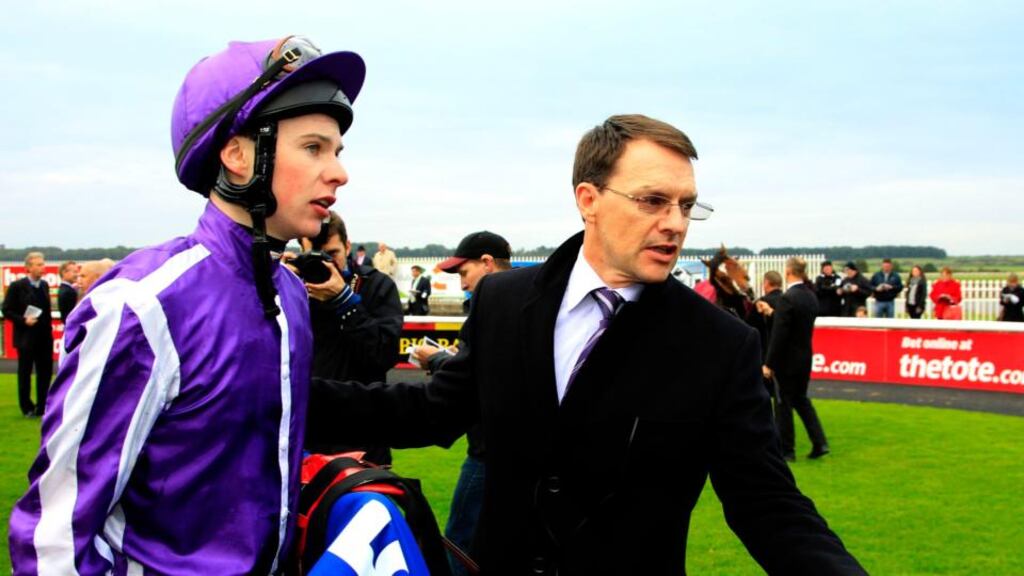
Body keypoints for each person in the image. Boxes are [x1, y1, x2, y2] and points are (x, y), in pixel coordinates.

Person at [308, 114, 864, 574]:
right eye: (653, 201)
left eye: (686, 205)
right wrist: (274, 391)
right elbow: (430, 412)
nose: (676, 223)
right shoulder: (504, 302)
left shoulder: (720, 345)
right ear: (588, 199)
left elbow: (767, 503)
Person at [9, 36, 365, 575]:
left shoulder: (291, 294)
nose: (339, 172)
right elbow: (54, 537)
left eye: (337, 152)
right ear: (238, 155)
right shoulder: (141, 305)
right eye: (314, 147)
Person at [412, 230, 512, 576]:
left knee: (459, 546)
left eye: (464, 273)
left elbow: (486, 376)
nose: (462, 284)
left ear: (486, 263)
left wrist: (439, 361)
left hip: (488, 453)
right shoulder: (533, 304)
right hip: (520, 457)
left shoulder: (500, 310)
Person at [299, 210, 403, 463]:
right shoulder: (292, 285)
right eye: (315, 255)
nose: (326, 264)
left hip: (363, 430)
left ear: (347, 246)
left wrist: (344, 301)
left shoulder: (376, 285)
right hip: (308, 431)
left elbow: (383, 355)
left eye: (332, 254)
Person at [763, 257, 830, 462]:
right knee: (801, 400)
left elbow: (780, 333)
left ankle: (787, 450)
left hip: (786, 361)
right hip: (804, 356)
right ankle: (820, 442)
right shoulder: (810, 296)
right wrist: (774, 313)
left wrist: (769, 363)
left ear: (789, 271)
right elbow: (794, 323)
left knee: (783, 405)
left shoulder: (787, 298)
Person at [2, 252, 54, 417]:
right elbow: (6, 310)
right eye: (38, 264)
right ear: (28, 268)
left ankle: (42, 405)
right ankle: (27, 407)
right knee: (25, 373)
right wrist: (23, 320)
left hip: (44, 337)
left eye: (42, 264)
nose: (42, 267)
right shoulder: (18, 286)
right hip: (26, 337)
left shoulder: (44, 285)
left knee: (45, 373)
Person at [751, 271, 784, 398]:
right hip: (783, 352)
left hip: (764, 352)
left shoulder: (762, 303)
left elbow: (749, 325)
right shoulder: (786, 301)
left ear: (766, 283)